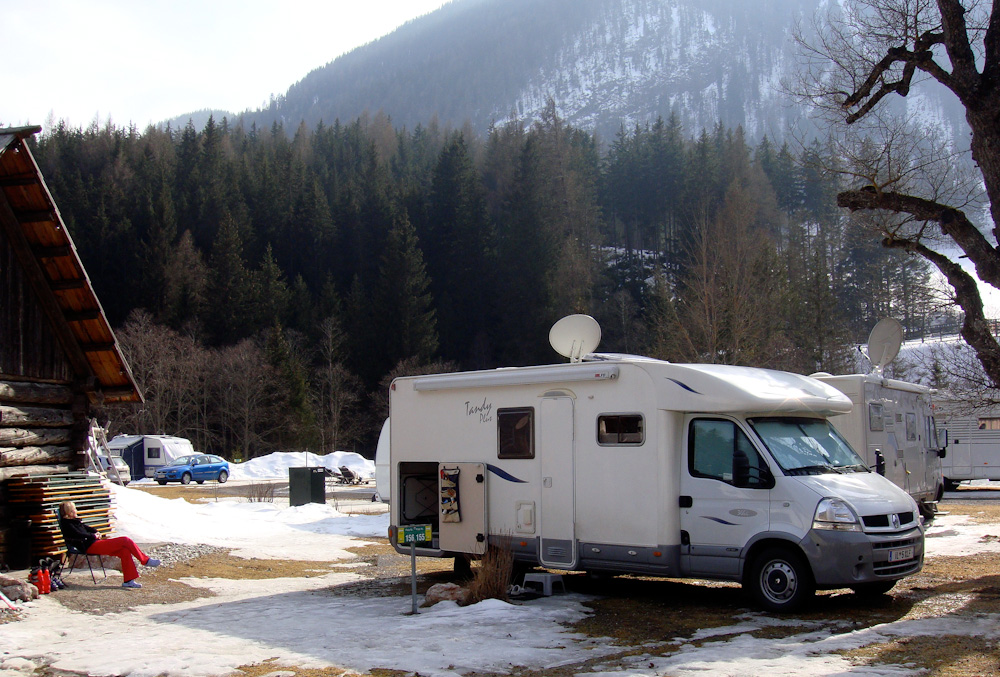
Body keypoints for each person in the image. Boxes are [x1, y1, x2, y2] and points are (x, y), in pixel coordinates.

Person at [58, 501, 160, 589]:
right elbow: (79, 534)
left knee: (124, 551)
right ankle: (145, 560)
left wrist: (95, 533)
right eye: (74, 509)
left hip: (94, 543)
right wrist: (93, 536)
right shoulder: (68, 525)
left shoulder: (74, 521)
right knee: (125, 540)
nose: (76, 511)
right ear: (70, 512)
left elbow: (88, 528)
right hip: (89, 546)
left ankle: (128, 581)